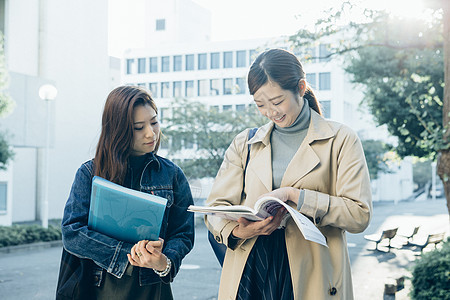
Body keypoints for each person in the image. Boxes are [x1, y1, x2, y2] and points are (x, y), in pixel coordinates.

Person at [205, 48, 372, 299]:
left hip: (311, 272)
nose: (271, 112)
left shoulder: (341, 139)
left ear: (301, 87)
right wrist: (239, 232)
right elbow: (215, 208)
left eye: (277, 101)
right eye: (260, 105)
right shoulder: (245, 143)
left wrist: (295, 195)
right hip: (251, 268)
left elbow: (359, 214)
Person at [59, 86, 195, 299]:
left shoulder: (172, 174)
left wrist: (164, 262)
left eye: (154, 122)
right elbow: (72, 232)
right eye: (138, 127)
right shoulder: (89, 173)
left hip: (152, 288)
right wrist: (129, 253)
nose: (151, 133)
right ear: (118, 130)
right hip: (99, 287)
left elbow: (183, 233)